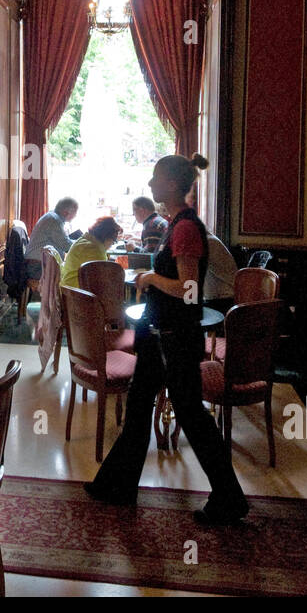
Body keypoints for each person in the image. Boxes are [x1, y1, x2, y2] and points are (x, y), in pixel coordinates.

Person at [85, 153, 248, 525]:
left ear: (173, 184)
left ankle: (229, 498)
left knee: (192, 416)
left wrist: (151, 279)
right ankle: (117, 484)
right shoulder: (177, 224)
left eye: (156, 178)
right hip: (162, 336)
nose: (150, 184)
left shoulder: (186, 228)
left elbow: (189, 290)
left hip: (174, 338)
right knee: (141, 410)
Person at [25, 197, 79, 280]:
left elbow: (64, 241)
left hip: (38, 264)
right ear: (65, 212)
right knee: (70, 277)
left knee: (70, 274)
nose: (75, 216)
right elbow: (66, 246)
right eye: (75, 213)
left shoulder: (52, 216)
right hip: (37, 267)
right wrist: (82, 243)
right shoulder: (54, 220)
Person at [59, 216, 122, 289]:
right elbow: (102, 280)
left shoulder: (84, 240)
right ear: (107, 237)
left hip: (70, 289)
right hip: (79, 294)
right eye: (113, 241)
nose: (111, 245)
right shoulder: (94, 249)